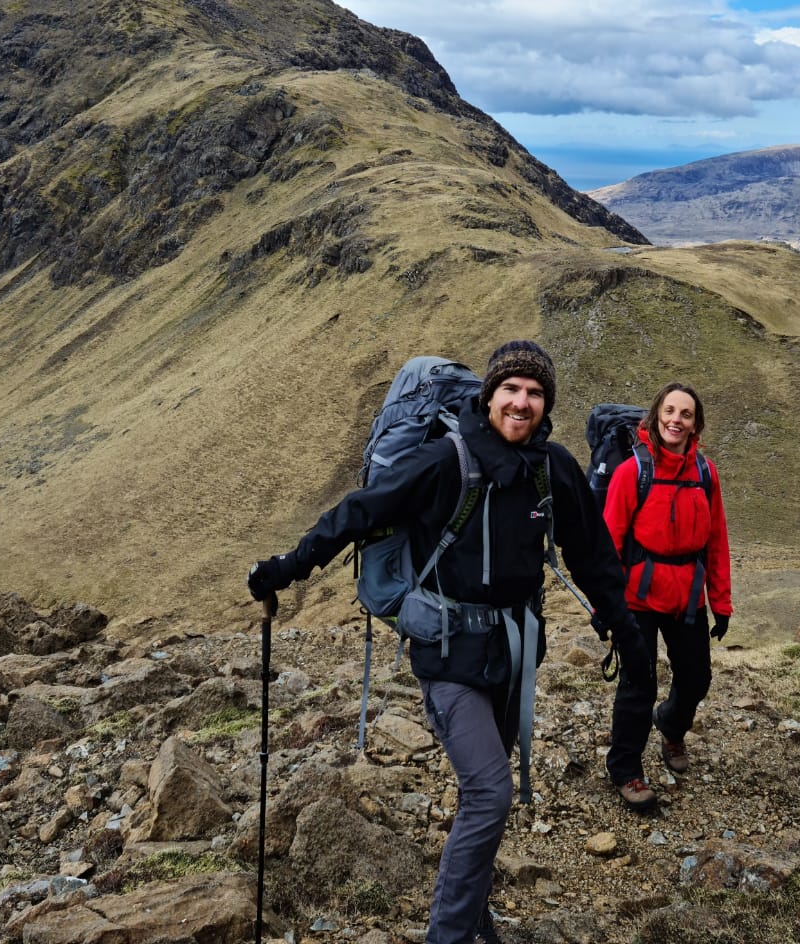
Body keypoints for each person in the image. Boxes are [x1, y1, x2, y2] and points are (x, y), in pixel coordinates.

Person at [247, 340, 652, 944]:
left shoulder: (553, 467)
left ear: (547, 404)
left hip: (514, 656)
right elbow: (359, 512)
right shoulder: (445, 460)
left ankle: (474, 916)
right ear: (489, 395)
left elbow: (591, 554)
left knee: (484, 795)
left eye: (535, 393)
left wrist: (624, 625)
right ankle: (450, 934)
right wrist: (286, 567)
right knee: (491, 793)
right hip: (447, 655)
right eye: (511, 389)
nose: (522, 402)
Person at [603, 381, 732, 811]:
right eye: (670, 411)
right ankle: (625, 769)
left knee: (697, 679)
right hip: (637, 598)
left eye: (686, 414)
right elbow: (610, 542)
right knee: (639, 685)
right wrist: (607, 605)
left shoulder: (705, 473)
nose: (677, 420)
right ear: (657, 416)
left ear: (696, 423)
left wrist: (722, 602)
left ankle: (671, 727)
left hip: (688, 597)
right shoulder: (631, 471)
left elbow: (716, 542)